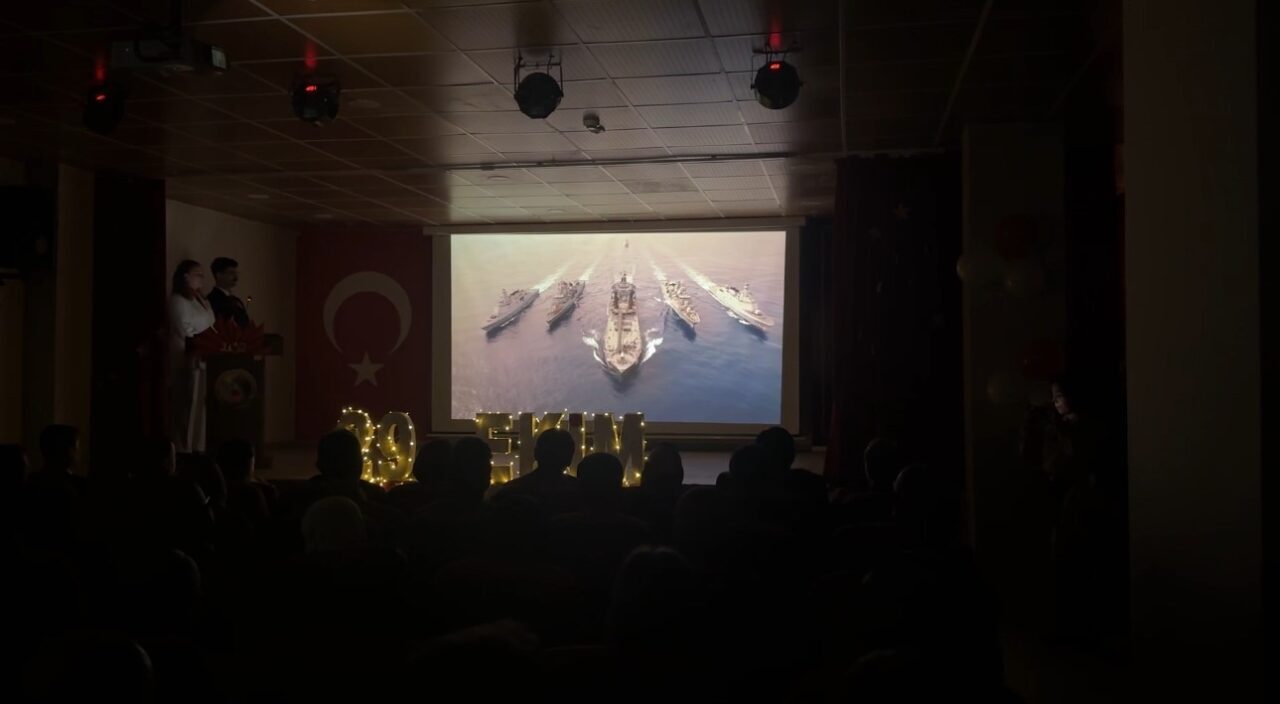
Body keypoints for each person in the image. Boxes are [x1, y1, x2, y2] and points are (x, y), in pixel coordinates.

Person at [169, 260, 216, 453]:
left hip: (201, 358)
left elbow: (211, 320)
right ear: (185, 277)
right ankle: (183, 448)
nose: (201, 278)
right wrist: (200, 333)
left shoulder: (199, 299)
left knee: (198, 404)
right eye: (197, 274)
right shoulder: (177, 300)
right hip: (184, 358)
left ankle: (197, 446)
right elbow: (185, 329)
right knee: (184, 403)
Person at [207, 257, 250, 328]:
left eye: (236, 273)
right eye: (231, 273)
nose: (236, 277)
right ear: (219, 275)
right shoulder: (212, 299)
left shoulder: (236, 300)